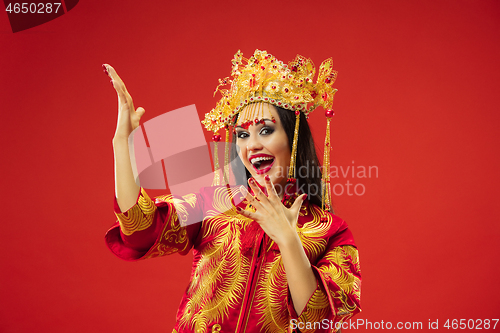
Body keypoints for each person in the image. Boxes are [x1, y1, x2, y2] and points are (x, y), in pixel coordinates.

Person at [104, 50, 361, 333]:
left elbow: (318, 321)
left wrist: (288, 239)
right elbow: (139, 229)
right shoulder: (214, 203)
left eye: (265, 131)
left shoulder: (331, 231)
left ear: (293, 136)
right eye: (242, 134)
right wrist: (123, 144)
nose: (251, 146)